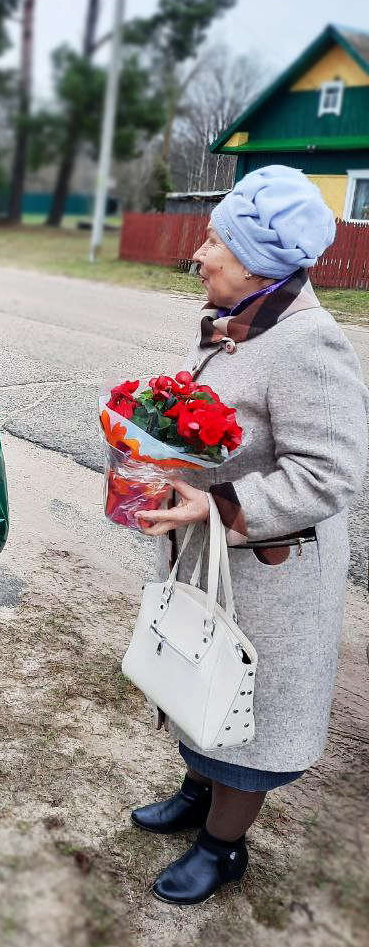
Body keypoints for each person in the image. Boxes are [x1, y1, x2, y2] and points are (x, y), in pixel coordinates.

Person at [132, 164, 368, 905]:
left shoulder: (309, 345)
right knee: (199, 678)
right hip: (217, 564)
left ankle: (222, 846)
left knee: (247, 716)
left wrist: (217, 505)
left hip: (274, 571)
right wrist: (150, 429)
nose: (198, 254)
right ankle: (196, 794)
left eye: (215, 241)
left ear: (258, 263)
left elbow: (331, 476)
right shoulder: (239, 324)